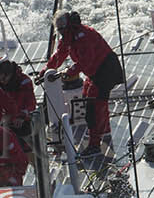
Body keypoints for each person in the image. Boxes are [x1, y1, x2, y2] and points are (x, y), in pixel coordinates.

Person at [42, 11, 125, 152]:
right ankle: (104, 131)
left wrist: (68, 71)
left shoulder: (83, 36)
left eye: (62, 29)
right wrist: (45, 71)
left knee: (93, 107)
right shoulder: (68, 38)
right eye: (59, 29)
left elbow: (86, 61)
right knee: (88, 98)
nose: (60, 32)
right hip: (94, 72)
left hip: (106, 70)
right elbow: (60, 54)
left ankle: (95, 144)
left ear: (68, 26)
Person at [0, 58, 37, 143]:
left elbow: (31, 103)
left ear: (10, 74)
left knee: (22, 134)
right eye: (0, 80)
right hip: (4, 121)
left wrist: (21, 116)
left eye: (3, 79)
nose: (2, 82)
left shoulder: (24, 82)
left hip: (21, 121)